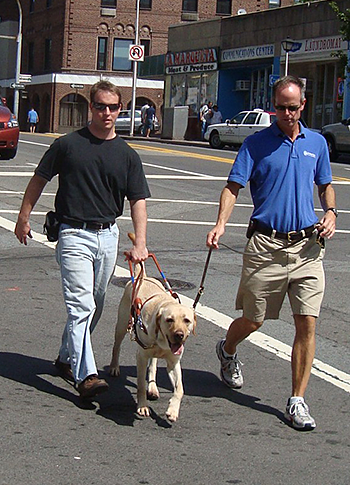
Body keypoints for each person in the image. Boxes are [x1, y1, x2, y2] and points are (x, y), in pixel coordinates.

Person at [206, 75, 337, 431]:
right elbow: (233, 187)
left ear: (303, 105)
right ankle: (228, 348)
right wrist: (220, 224)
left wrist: (330, 213)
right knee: (254, 319)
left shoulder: (317, 143)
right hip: (266, 245)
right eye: (280, 107)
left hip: (307, 247)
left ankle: (297, 400)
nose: (286, 114)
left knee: (306, 322)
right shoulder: (256, 143)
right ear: (273, 105)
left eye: (292, 108)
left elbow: (325, 184)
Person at [15, 80, 150, 399]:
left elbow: (138, 201)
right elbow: (39, 179)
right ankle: (85, 374)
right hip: (73, 233)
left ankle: (66, 357)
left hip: (108, 236)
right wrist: (24, 217)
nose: (106, 112)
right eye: (100, 106)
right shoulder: (67, 145)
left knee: (96, 304)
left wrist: (140, 242)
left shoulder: (127, 155)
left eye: (113, 107)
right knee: (82, 305)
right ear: (91, 107)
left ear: (120, 109)